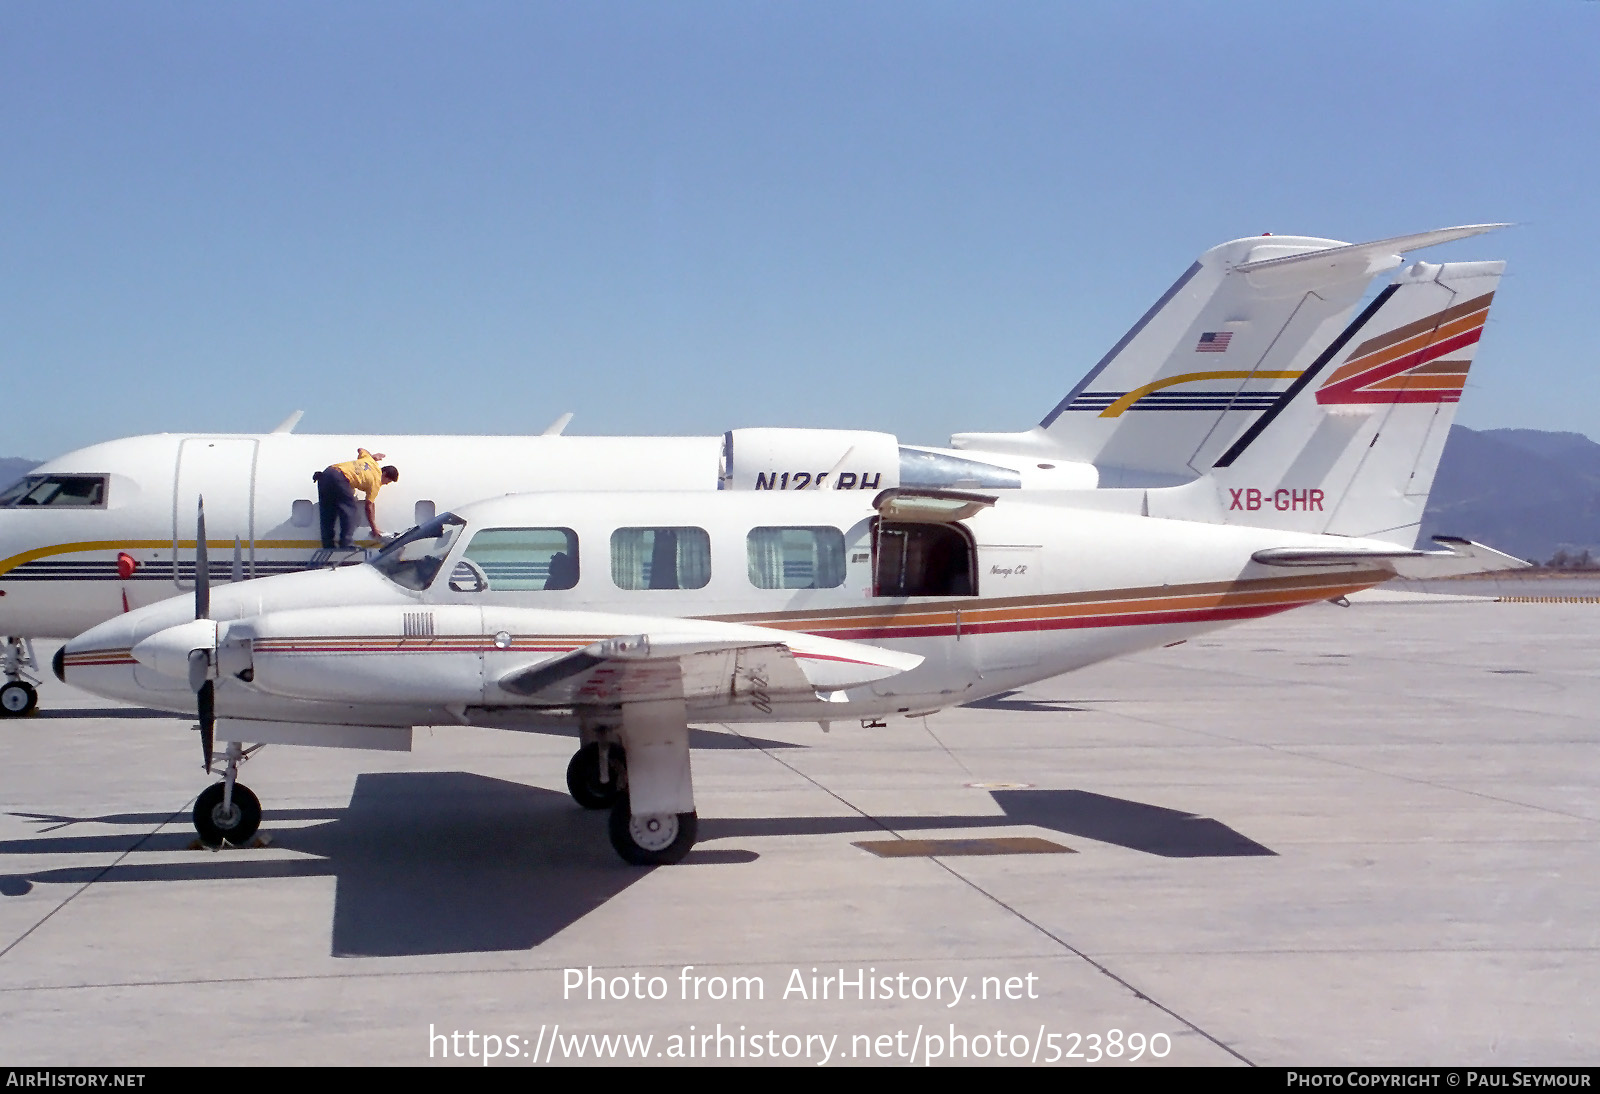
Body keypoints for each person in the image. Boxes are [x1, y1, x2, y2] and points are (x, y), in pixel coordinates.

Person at [313, 448, 399, 549]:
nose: (385, 484)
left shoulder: (370, 461)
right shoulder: (376, 481)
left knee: (328, 512)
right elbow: (369, 506)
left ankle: (328, 544)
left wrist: (373, 456)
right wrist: (374, 528)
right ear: (384, 474)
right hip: (341, 478)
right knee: (350, 510)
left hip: (327, 473)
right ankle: (346, 543)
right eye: (387, 481)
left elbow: (360, 449)